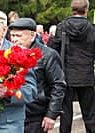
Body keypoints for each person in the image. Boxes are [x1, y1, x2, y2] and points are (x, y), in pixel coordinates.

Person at [9, 18, 66, 133]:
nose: (14, 40)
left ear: (32, 35)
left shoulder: (48, 55)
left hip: (35, 116)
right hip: (14, 112)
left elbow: (58, 85)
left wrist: (51, 114)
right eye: (12, 36)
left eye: (18, 36)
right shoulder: (9, 53)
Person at [47, 0, 95, 133]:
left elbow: (52, 50)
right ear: (86, 10)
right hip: (86, 76)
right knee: (90, 115)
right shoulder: (91, 29)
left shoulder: (61, 27)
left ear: (72, 9)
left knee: (65, 115)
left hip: (65, 76)